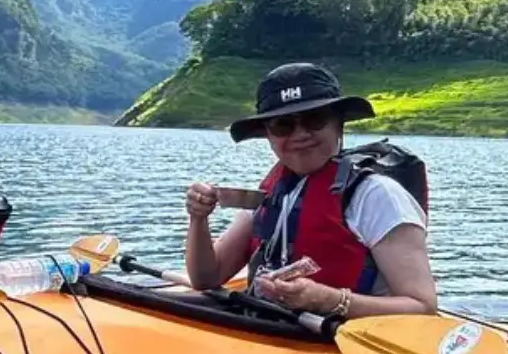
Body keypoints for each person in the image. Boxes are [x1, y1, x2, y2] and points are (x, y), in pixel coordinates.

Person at [184, 61, 437, 321]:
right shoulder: (271, 193)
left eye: (315, 120)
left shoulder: (377, 196)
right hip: (272, 337)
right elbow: (206, 277)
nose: (301, 134)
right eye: (283, 125)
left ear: (338, 125)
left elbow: (424, 307)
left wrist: (329, 300)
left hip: (342, 347)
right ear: (268, 135)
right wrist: (198, 218)